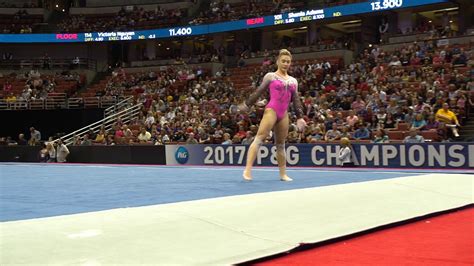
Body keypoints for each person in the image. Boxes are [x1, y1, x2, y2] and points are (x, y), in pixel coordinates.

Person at [239, 49, 306, 181]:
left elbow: (296, 100)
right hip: (272, 110)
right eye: (283, 61)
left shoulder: (293, 81)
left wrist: (300, 117)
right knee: (259, 139)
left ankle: (283, 174)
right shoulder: (270, 76)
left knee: (281, 145)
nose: (286, 64)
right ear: (277, 62)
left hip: (284, 113)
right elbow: (259, 91)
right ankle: (247, 170)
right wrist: (247, 104)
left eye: (288, 62)